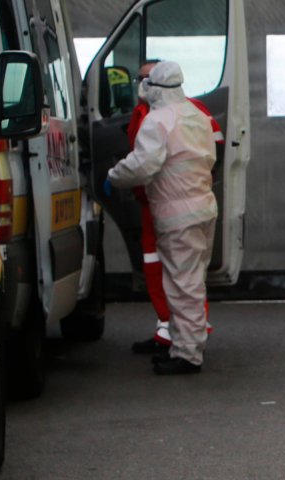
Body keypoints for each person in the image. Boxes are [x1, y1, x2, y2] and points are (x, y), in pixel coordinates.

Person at [107, 61, 217, 375]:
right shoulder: (197, 115)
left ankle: (187, 355)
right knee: (192, 282)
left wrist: (113, 176)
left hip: (177, 214)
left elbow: (143, 165)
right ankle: (187, 347)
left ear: (152, 87)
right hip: (204, 208)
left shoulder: (157, 121)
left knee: (182, 286)